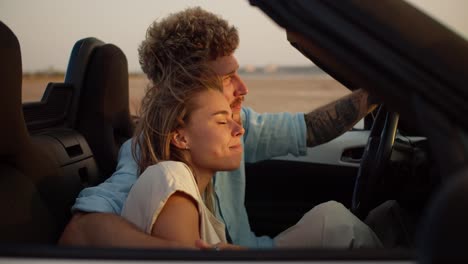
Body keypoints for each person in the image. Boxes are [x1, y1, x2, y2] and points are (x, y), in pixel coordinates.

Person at [59, 7, 381, 249]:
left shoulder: (239, 123)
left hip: (253, 249)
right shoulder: (148, 155)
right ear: (187, 89)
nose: (243, 88)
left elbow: (310, 129)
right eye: (227, 78)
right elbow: (82, 229)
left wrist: (382, 90)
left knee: (336, 219)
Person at [121, 63, 245, 249]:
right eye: (221, 121)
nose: (239, 130)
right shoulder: (171, 177)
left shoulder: (190, 189)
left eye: (233, 120)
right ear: (180, 137)